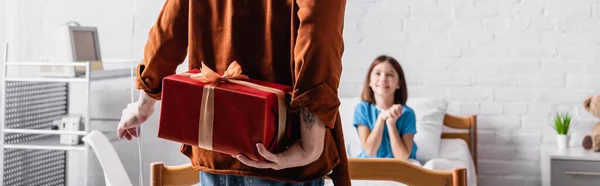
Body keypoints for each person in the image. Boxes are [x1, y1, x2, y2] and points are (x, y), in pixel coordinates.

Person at [116, 0, 350, 185]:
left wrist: (144, 103)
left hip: (215, 143)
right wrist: (311, 139)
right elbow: (319, 29)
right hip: (284, 146)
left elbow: (170, 24)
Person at [353, 55, 419, 165]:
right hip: (369, 164)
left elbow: (402, 157)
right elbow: (370, 151)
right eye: (377, 73)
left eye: (389, 74)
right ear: (369, 81)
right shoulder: (362, 109)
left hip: (401, 166)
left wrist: (391, 124)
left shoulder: (407, 113)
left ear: (398, 83)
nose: (383, 78)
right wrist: (380, 119)